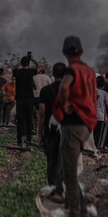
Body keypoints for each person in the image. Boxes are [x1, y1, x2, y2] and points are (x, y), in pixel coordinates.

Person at [53, 36, 97, 217]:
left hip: (73, 124)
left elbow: (64, 87)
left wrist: (63, 105)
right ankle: (83, 210)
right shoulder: (89, 70)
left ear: (64, 53)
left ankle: (75, 212)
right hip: (87, 125)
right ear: (81, 51)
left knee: (68, 174)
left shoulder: (71, 70)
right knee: (70, 169)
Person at [38, 62, 66, 195]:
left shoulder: (45, 91)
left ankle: (52, 187)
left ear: (53, 74)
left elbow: (42, 114)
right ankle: (60, 188)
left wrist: (40, 133)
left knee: (51, 160)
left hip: (50, 131)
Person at [13, 55, 40, 146]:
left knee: (20, 120)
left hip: (20, 99)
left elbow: (14, 67)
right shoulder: (31, 72)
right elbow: (38, 67)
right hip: (29, 99)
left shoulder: (17, 72)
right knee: (29, 120)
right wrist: (32, 59)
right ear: (28, 64)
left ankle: (19, 141)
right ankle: (29, 140)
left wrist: (20, 63)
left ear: (21, 63)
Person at [94, 76, 108, 149]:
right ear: (104, 85)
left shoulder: (93, 91)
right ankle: (97, 148)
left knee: (93, 133)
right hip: (100, 116)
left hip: (92, 116)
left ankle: (92, 148)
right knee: (99, 134)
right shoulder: (104, 93)